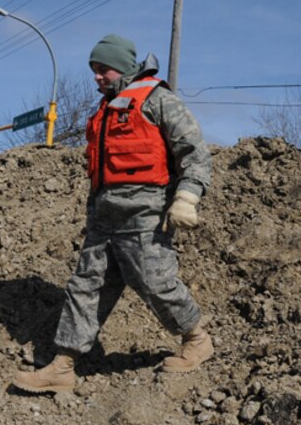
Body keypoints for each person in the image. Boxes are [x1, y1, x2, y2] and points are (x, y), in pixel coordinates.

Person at [13, 34, 213, 393]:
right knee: (84, 286)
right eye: (93, 70)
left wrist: (187, 197)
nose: (96, 77)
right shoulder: (104, 112)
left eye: (102, 69)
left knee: (156, 283)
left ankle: (197, 338)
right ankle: (63, 365)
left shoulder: (158, 101)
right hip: (104, 219)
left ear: (122, 67)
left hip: (145, 216)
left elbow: (195, 154)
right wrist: (93, 214)